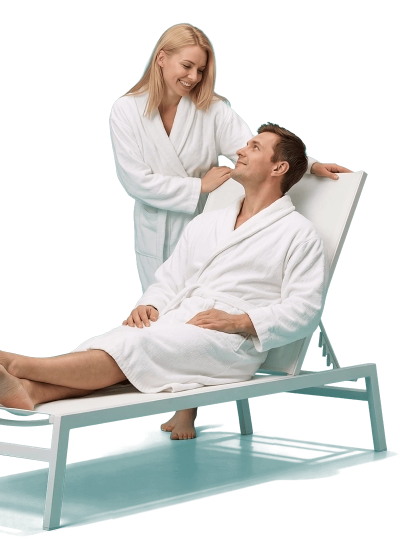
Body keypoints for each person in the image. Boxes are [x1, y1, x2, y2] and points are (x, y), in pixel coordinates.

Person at [0, 124, 329, 435]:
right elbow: (172, 277)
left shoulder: (298, 233)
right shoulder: (210, 221)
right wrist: (151, 303)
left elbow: (305, 309)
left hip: (232, 343)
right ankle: (32, 392)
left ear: (279, 167)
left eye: (254, 147)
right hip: (183, 318)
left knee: (140, 347)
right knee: (119, 341)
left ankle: (20, 364)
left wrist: (240, 322)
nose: (241, 150)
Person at [110, 23, 350, 439]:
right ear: (161, 58)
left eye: (201, 70)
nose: (194, 77)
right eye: (187, 66)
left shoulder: (210, 110)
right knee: (160, 311)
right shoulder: (126, 110)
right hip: (160, 221)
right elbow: (136, 179)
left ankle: (183, 410)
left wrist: (310, 165)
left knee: (199, 313)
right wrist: (197, 186)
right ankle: (160, 391)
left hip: (210, 222)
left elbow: (258, 147)